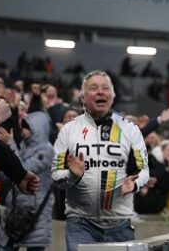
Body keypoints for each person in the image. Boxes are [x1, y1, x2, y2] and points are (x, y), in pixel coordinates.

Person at [51, 70, 149, 251]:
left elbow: (144, 171)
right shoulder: (68, 131)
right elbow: (56, 177)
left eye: (105, 88)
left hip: (120, 224)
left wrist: (135, 185)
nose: (100, 92)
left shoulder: (130, 129)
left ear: (112, 96)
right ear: (82, 98)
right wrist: (73, 176)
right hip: (80, 224)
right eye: (93, 88)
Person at [0, 111, 55, 251]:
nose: (23, 131)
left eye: (27, 127)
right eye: (23, 127)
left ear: (38, 128)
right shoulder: (22, 147)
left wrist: (10, 144)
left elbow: (22, 171)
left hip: (36, 213)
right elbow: (6, 174)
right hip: (15, 210)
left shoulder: (47, 151)